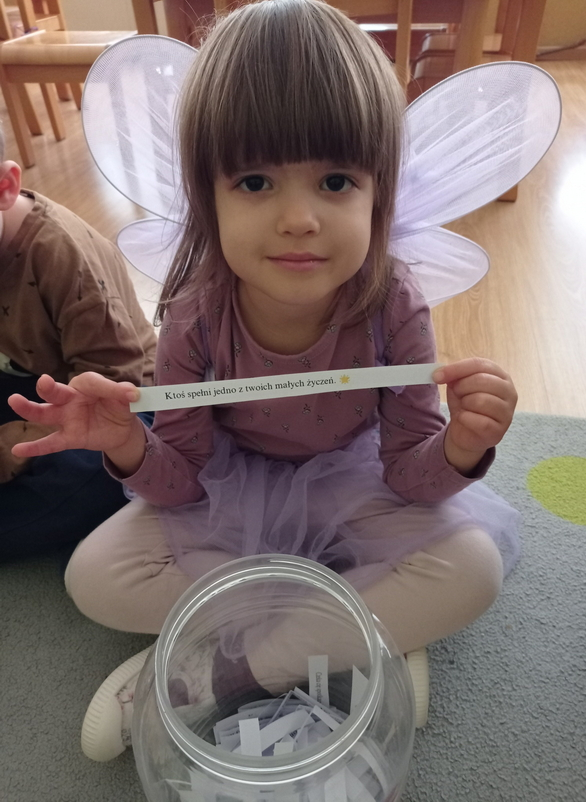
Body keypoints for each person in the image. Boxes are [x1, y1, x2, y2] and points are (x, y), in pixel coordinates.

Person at [9, 0, 519, 762]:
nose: (298, 219)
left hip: (354, 481)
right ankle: (360, 630)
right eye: (254, 181)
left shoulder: (394, 302)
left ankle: (225, 670)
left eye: (336, 180)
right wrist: (126, 445)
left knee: (473, 570)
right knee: (93, 577)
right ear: (206, 197)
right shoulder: (193, 314)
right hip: (232, 487)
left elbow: (412, 480)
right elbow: (180, 482)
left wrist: (463, 447)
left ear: (380, 193)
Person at [0, 127, 157, 562]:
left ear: (5, 188)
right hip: (35, 377)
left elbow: (111, 389)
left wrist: (23, 436)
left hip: (119, 398)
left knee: (95, 479)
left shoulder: (59, 254)